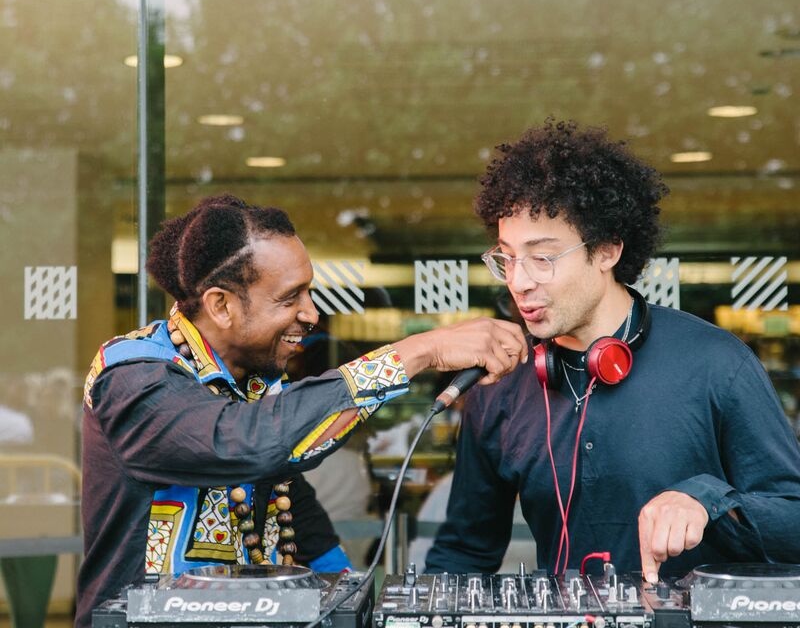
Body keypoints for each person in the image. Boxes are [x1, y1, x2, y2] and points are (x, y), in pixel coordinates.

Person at [78, 195, 526, 627]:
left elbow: (291, 500)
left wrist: (348, 593)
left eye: (308, 292)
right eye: (289, 298)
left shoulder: (253, 381)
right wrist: (416, 352)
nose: (310, 314)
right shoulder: (132, 376)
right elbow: (242, 443)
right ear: (221, 305)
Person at [426, 120, 800, 583]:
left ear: (606, 251)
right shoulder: (499, 381)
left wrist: (708, 500)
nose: (519, 281)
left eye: (542, 257)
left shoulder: (717, 364)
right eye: (506, 257)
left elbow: (793, 522)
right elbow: (463, 552)